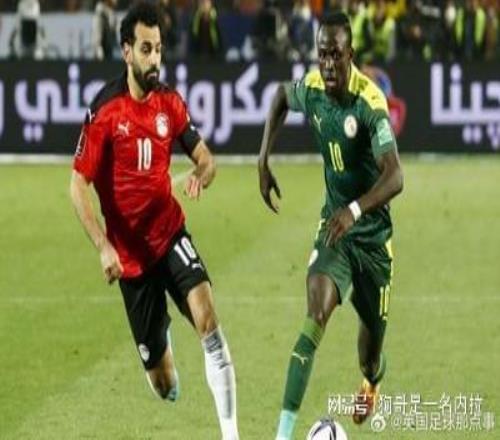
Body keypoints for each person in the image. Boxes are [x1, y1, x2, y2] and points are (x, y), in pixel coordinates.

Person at [70, 3, 239, 439]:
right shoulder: (105, 111)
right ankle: (159, 340)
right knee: (165, 386)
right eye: (146, 49)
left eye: (159, 49)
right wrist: (103, 246)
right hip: (130, 260)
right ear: (127, 51)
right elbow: (77, 185)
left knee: (208, 320)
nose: (154, 59)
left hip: (169, 234)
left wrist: (202, 172)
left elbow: (206, 158)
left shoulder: (170, 103)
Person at [258, 12, 403, 440]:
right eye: (322, 55)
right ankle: (282, 435)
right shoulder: (313, 89)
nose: (327, 64)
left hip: (373, 239)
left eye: (335, 55)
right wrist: (263, 159)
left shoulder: (369, 103)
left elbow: (395, 176)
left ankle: (371, 381)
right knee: (315, 314)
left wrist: (355, 210)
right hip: (335, 230)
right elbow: (280, 97)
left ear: (350, 55)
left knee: (370, 355)